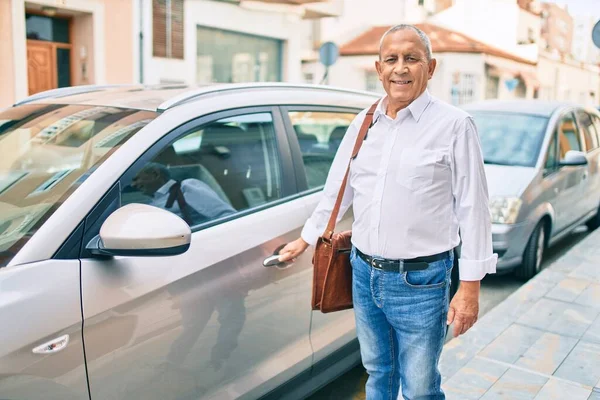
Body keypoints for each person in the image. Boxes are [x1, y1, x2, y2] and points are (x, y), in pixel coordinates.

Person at [279, 24, 497, 399]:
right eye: (392, 59)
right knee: (378, 374)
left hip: (421, 282)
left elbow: (474, 209)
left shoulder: (455, 126)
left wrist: (470, 289)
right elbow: (339, 189)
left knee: (419, 388)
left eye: (412, 59)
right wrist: (305, 238)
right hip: (363, 274)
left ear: (431, 67)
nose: (401, 68)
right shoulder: (364, 122)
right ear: (378, 69)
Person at [131, 162, 236, 225]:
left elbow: (226, 216)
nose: (133, 185)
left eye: (136, 179)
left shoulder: (186, 186)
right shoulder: (151, 204)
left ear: (155, 174)